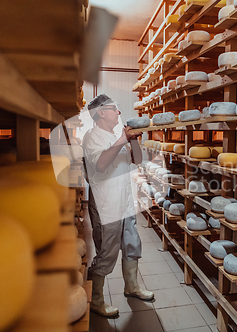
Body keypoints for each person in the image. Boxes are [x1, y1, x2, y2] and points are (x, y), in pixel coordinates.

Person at [82, 94, 153, 318]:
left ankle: (131, 287)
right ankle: (96, 300)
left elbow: (138, 159)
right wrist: (122, 139)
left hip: (124, 201)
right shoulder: (93, 137)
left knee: (132, 245)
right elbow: (101, 165)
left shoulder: (115, 136)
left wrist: (133, 140)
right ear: (101, 112)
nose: (119, 113)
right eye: (115, 109)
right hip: (106, 205)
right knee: (106, 252)